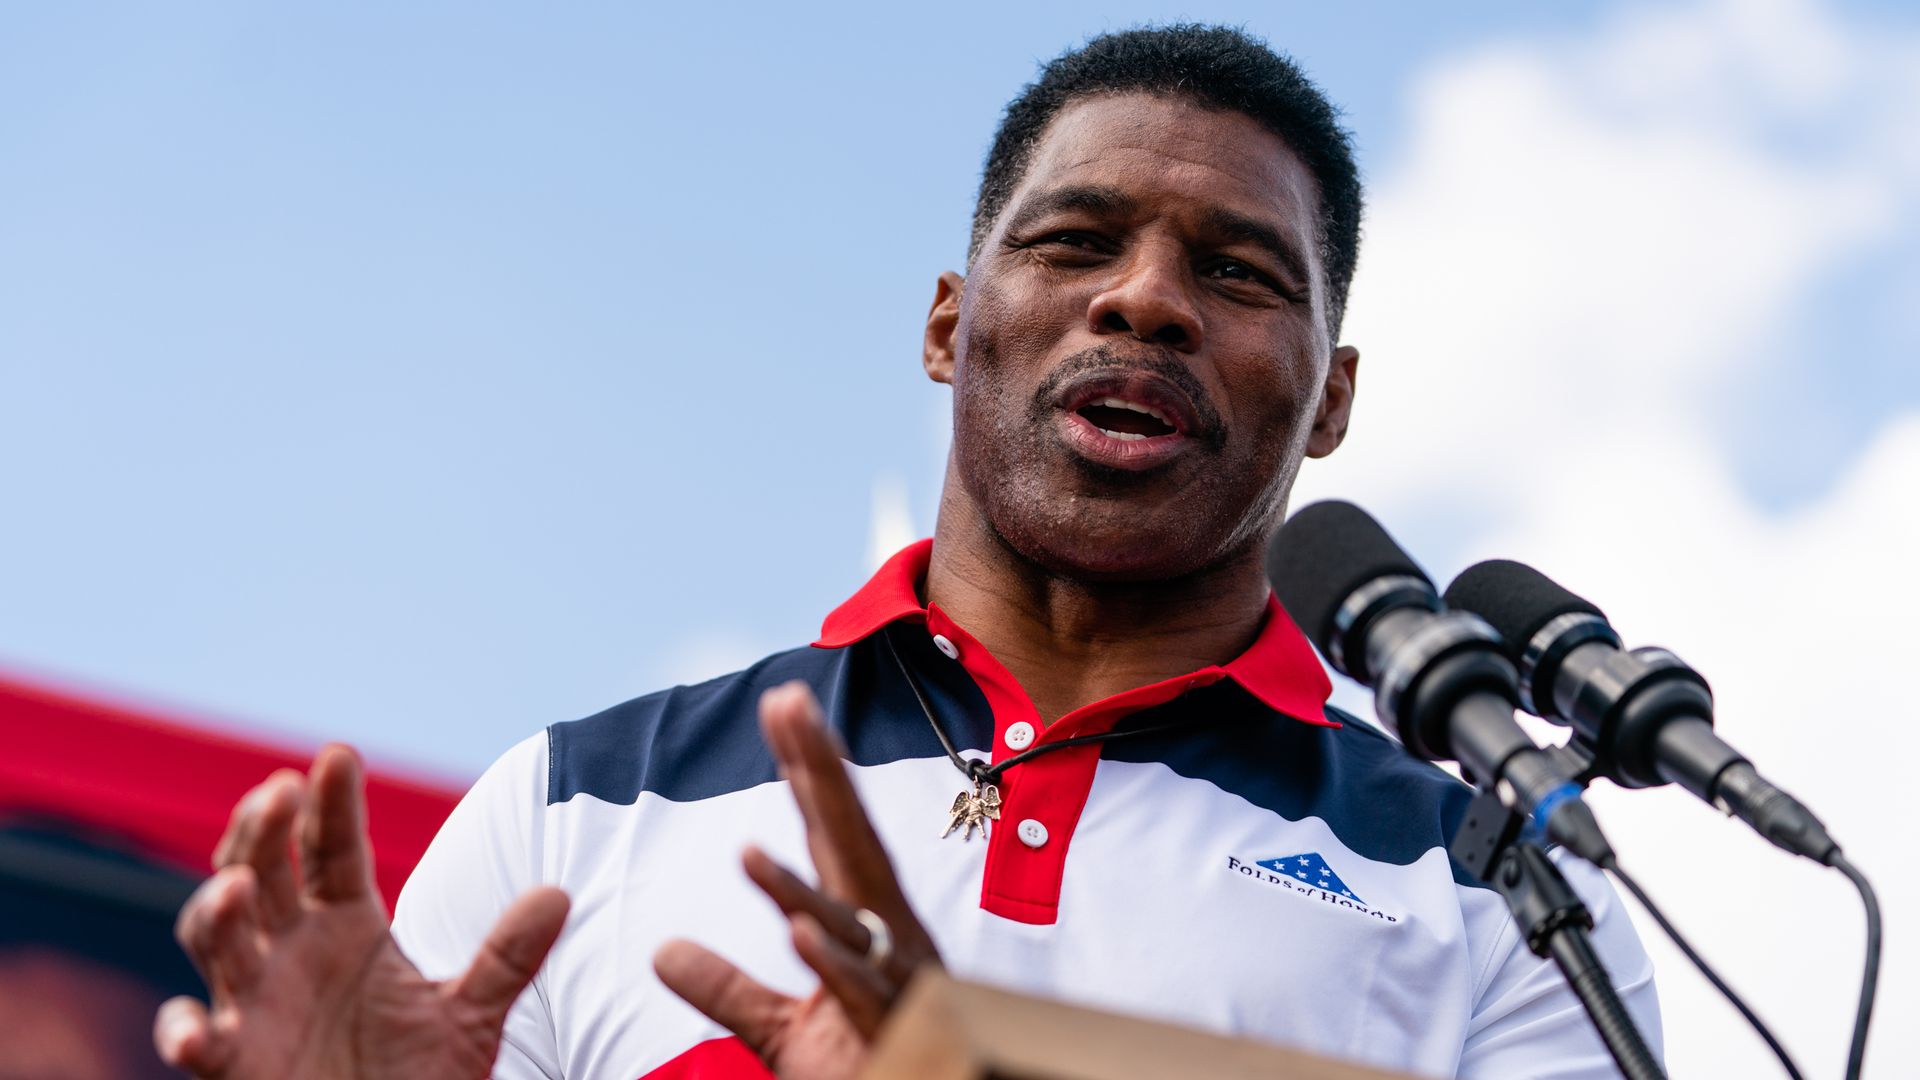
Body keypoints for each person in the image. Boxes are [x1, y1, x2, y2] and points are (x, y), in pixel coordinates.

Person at [154, 24, 1660, 1080]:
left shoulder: (1494, 891)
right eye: (1075, 242)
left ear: (1329, 398)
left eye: (1235, 270)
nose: (1145, 301)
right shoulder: (574, 814)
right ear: (951, 325)